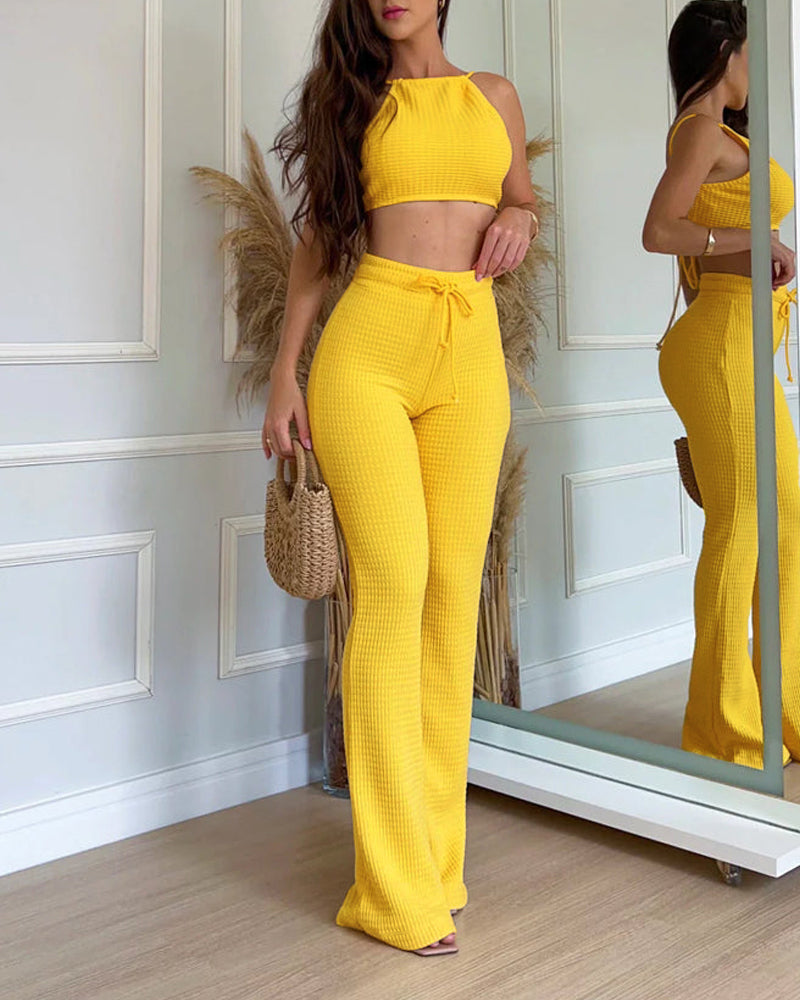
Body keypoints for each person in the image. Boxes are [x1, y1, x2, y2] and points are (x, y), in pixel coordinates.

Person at [261, 0, 538, 956]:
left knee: (453, 599)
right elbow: (317, 241)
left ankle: (435, 868)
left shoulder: (494, 96)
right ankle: (386, 890)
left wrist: (519, 214)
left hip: (469, 353)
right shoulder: (349, 97)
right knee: (391, 593)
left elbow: (522, 198)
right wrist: (285, 374)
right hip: (369, 351)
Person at [643, 0, 800, 769]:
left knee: (787, 518)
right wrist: (755, 237)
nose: (753, 71)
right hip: (721, 341)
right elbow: (658, 231)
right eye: (749, 54)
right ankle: (722, 731)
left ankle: (782, 712)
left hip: (741, 339)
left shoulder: (712, 135)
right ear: (724, 52)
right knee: (740, 523)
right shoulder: (701, 131)